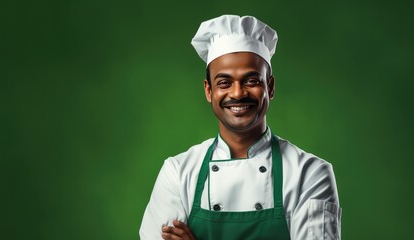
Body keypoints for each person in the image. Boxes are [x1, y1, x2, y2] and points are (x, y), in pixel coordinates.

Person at [139, 15, 341, 240]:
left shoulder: (310, 174)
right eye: (224, 83)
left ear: (270, 87)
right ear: (209, 91)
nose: (237, 93)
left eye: (251, 81)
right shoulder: (178, 172)